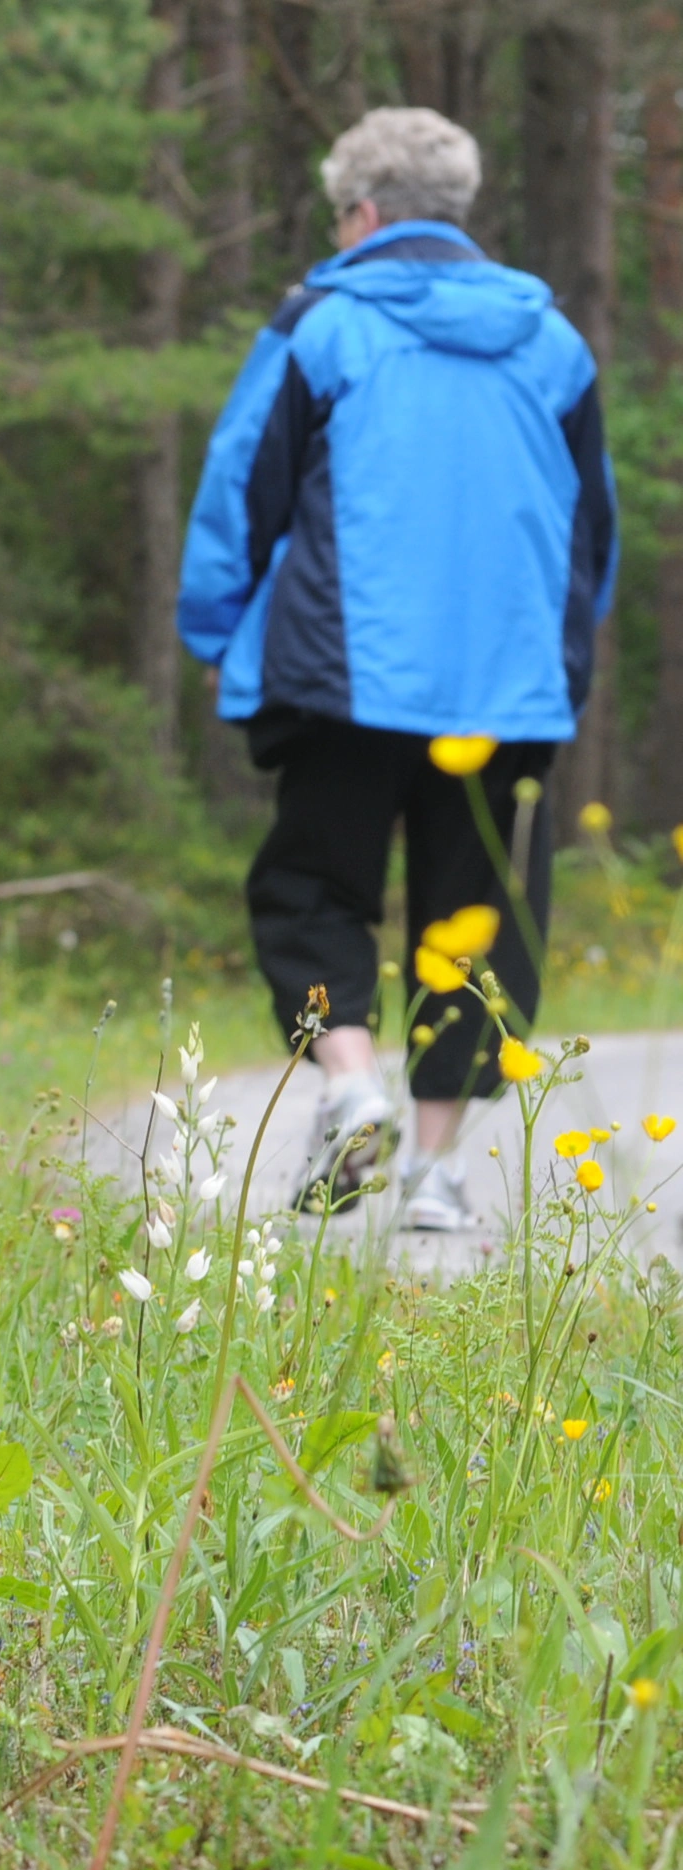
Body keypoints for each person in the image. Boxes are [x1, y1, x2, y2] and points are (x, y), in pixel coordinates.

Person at [178, 105, 615, 1227]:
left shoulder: (320, 324)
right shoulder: (554, 343)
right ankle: (434, 1172)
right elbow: (591, 532)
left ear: (362, 213)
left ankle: (350, 1080)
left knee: (313, 890)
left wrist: (214, 625)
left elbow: (243, 491)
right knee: (481, 917)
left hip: (344, 671)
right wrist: (563, 652)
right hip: (509, 681)